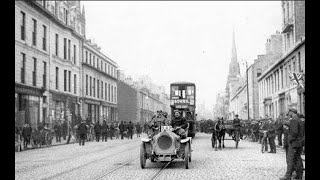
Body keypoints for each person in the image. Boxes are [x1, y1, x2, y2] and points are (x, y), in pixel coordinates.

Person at [280, 108, 304, 180]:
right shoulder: (299, 120)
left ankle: (288, 176)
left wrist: (290, 140)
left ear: (292, 112)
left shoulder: (294, 120)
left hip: (294, 143)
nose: (289, 114)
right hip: (299, 143)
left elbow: (294, 132)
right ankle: (299, 175)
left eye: (289, 112)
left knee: (291, 159)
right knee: (298, 158)